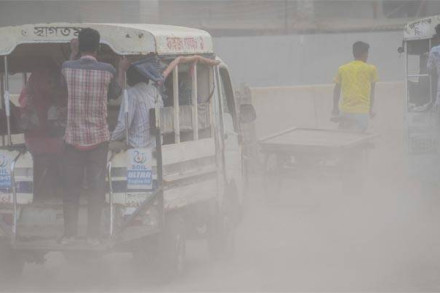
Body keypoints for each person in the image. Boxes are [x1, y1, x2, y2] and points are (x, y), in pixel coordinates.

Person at [61, 28, 129, 245]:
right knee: (95, 190)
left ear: (79, 46)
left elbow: (63, 85)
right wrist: (121, 69)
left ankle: (70, 235)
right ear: (98, 48)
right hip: (99, 140)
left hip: (73, 140)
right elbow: (116, 93)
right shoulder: (107, 70)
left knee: (71, 190)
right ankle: (93, 236)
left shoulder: (67, 67)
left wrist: (72, 53)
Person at [18, 66, 66, 200]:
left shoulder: (46, 99)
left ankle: (53, 189)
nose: (52, 85)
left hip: (41, 140)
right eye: (49, 82)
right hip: (39, 142)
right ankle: (55, 189)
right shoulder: (29, 101)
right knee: (62, 156)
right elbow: (28, 124)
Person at [111, 64, 163, 148]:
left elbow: (124, 125)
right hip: (156, 144)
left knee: (110, 146)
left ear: (131, 78)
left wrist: (111, 138)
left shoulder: (131, 94)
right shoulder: (155, 91)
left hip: (137, 145)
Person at [332, 41, 378, 132]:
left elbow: (336, 91)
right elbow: (372, 92)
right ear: (365, 54)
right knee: (359, 139)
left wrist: (335, 108)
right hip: (362, 112)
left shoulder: (342, 69)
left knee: (343, 137)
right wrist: (370, 109)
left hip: (345, 111)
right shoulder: (371, 69)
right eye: (367, 53)